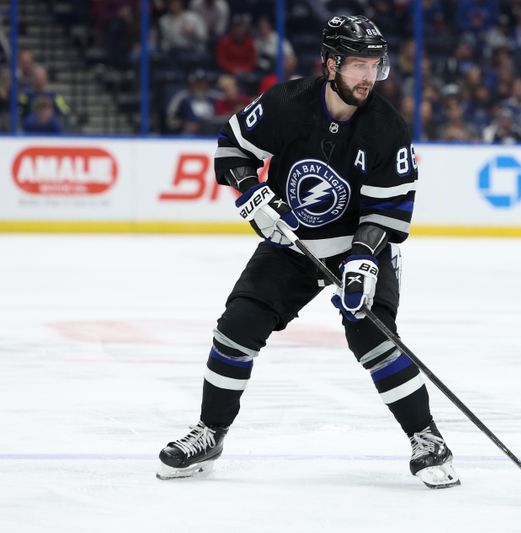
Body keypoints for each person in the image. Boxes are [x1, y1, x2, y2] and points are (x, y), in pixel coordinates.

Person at [157, 14, 460, 490]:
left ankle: (427, 438)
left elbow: (390, 211)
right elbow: (230, 150)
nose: (368, 76)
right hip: (291, 245)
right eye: (358, 64)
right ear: (331, 64)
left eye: (374, 65)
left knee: (373, 339)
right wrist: (250, 194)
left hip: (360, 248)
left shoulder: (387, 129)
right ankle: (209, 433)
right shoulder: (286, 104)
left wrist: (362, 259)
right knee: (237, 327)